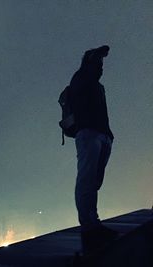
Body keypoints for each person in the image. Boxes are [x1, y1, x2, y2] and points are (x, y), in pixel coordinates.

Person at [69, 45, 118, 254]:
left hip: (101, 135)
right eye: (97, 63)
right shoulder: (81, 79)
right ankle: (89, 226)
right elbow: (86, 74)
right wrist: (94, 55)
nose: (100, 68)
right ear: (89, 64)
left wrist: (108, 134)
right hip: (89, 134)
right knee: (87, 179)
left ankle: (93, 223)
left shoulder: (98, 86)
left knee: (94, 180)